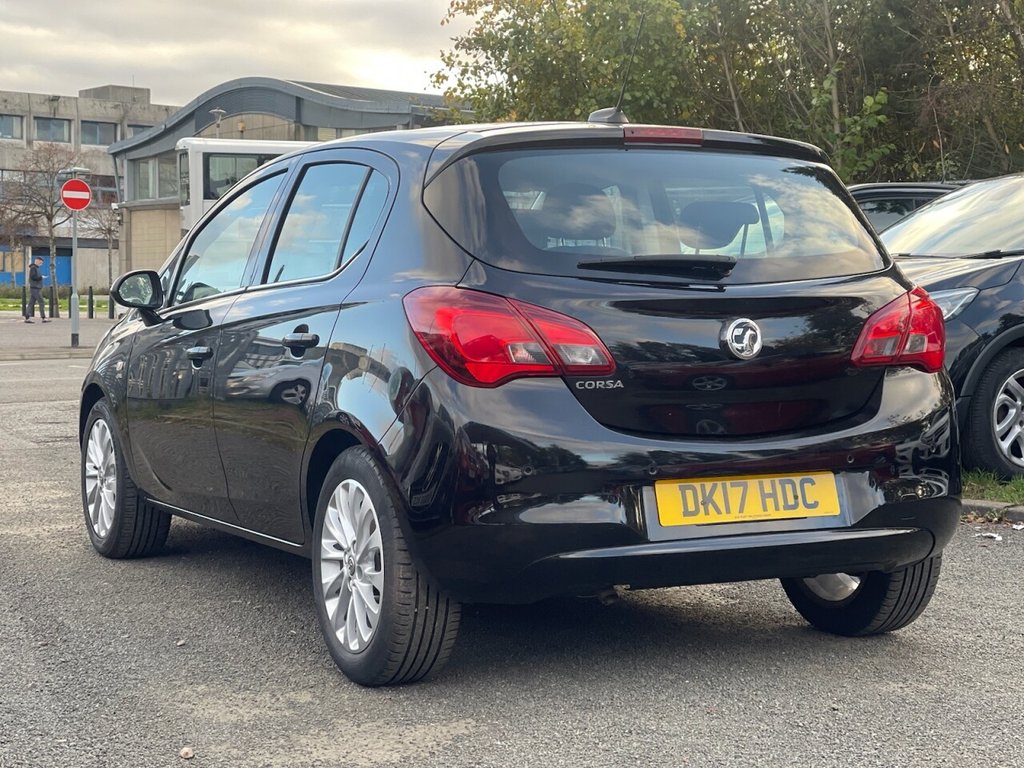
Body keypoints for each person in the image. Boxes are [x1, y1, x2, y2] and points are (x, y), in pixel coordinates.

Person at [26, 256, 49, 323]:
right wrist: (41, 277)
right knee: (41, 302)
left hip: (35, 288)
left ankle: (27, 317)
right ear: (37, 261)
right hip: (35, 288)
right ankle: (43, 318)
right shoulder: (33, 268)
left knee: (31, 303)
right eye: (40, 262)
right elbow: (33, 277)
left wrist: (40, 277)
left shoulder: (35, 268)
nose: (41, 264)